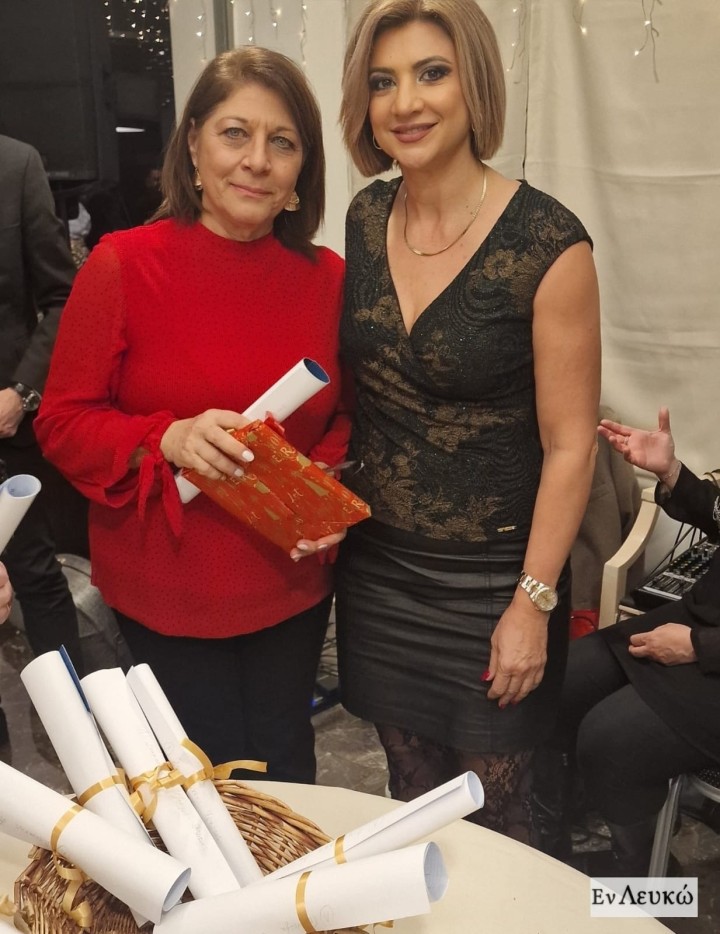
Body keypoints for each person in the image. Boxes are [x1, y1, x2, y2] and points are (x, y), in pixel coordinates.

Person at [35, 47, 348, 783]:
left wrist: (327, 482)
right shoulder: (121, 265)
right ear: (195, 149)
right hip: (168, 587)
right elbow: (63, 422)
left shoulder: (328, 280)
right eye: (236, 133)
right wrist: (167, 437)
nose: (257, 160)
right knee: (201, 787)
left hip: (290, 581)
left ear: (301, 171)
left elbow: (345, 415)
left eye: (282, 142)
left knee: (285, 772)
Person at [335, 0, 601, 844]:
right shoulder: (366, 218)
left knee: (504, 819)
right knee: (412, 803)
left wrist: (532, 604)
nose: (405, 102)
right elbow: (370, 398)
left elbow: (570, 447)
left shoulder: (549, 242)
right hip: (380, 573)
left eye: (431, 73)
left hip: (496, 583)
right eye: (384, 82)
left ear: (474, 83)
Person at [546, 407, 720, 875]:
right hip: (701, 619)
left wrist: (699, 646)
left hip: (707, 647)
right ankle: (551, 845)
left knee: (609, 740)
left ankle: (648, 878)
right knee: (560, 683)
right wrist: (672, 473)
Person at [0, 134, 84, 679]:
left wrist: (22, 393)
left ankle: (73, 713)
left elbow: (63, 297)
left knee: (36, 576)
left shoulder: (15, 165)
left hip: (5, 424)